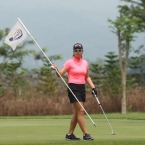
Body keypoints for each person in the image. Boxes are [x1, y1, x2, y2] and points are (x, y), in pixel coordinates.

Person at [51, 43, 97, 141]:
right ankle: (86, 134)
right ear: (73, 52)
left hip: (82, 88)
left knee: (77, 112)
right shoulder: (69, 62)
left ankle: (69, 134)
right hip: (73, 88)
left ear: (82, 51)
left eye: (79, 50)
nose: (77, 52)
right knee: (80, 111)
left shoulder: (85, 63)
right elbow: (60, 75)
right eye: (75, 50)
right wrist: (56, 70)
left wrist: (93, 87)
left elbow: (87, 77)